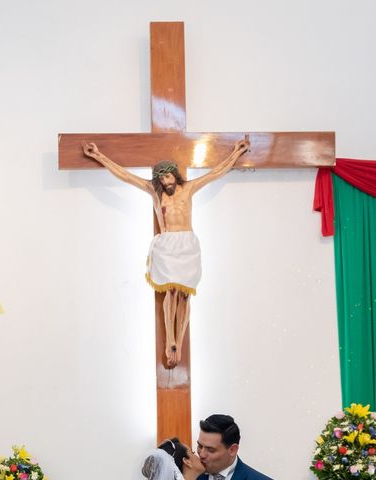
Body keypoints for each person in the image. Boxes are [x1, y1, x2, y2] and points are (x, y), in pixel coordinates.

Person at [82, 139, 250, 368]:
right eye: (160, 178)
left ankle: (178, 343)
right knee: (170, 292)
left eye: (167, 177)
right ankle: (169, 339)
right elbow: (125, 175)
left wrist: (237, 152)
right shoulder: (155, 192)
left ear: (175, 175)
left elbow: (216, 172)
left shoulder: (189, 188)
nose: (164, 181)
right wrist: (98, 155)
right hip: (167, 243)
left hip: (188, 244)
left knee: (184, 295)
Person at [196, 414, 272, 480]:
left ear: (232, 450)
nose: (202, 454)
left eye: (210, 450)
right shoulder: (192, 476)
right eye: (200, 446)